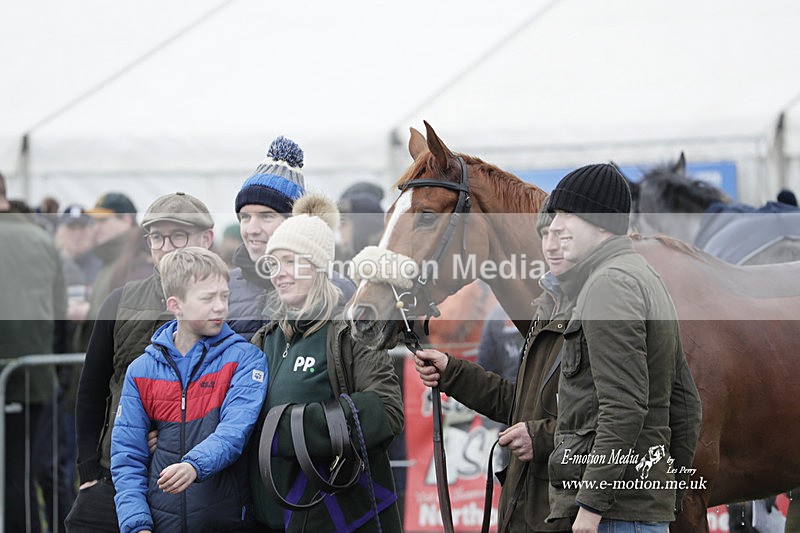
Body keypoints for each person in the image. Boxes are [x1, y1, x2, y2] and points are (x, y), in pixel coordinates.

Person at [544, 163, 702, 533]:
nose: (557, 226)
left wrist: (590, 507)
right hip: (638, 511)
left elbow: (624, 407)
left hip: (612, 516)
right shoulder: (644, 275)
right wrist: (666, 494)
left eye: (569, 214)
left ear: (600, 224)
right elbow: (686, 405)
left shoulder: (609, 284)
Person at [248, 193, 404, 532]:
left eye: (291, 262)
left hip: (336, 517)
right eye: (274, 265)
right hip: (270, 520)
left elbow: (388, 412)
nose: (279, 275)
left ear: (318, 265)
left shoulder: (352, 332)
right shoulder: (265, 338)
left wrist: (285, 428)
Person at [414, 203, 574, 533]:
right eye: (544, 235)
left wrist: (539, 437)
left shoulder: (598, 312)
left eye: (561, 235)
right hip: (529, 502)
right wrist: (451, 372)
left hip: (569, 507)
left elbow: (617, 420)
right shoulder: (545, 310)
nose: (550, 245)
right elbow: (517, 402)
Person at [66, 191, 215, 533]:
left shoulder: (225, 308)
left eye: (178, 235)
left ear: (206, 239)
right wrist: (88, 471)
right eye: (157, 237)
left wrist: (170, 435)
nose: (166, 247)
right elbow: (91, 389)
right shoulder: (120, 302)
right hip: (114, 475)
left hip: (193, 483)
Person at [111, 247, 267, 533]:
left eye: (224, 296)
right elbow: (127, 457)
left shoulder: (245, 358)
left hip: (227, 521)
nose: (220, 306)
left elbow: (234, 431)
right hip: (160, 523)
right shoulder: (141, 370)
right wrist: (137, 525)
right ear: (176, 305)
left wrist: (193, 465)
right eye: (208, 298)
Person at [229, 135, 354, 340]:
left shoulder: (337, 289)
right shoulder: (225, 286)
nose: (251, 229)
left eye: (266, 216)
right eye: (244, 217)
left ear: (292, 222)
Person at [1, 172, 67, 533]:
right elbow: (59, 312)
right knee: (19, 471)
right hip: (35, 375)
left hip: (13, 373)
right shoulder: (40, 238)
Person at [75, 192, 139, 351]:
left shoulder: (136, 261)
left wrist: (87, 314)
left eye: (102, 221)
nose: (95, 228)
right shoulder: (107, 260)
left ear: (126, 220)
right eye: (94, 222)